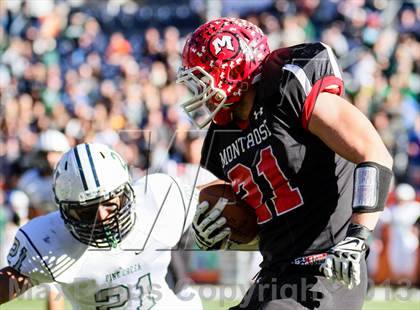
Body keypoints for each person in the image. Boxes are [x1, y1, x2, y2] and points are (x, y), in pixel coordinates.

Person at [177, 17, 393, 310]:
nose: (198, 89)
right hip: (275, 274)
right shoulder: (221, 136)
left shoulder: (287, 85)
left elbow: (374, 152)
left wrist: (357, 237)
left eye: (203, 78)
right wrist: (215, 231)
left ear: (232, 68)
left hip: (326, 270)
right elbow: (259, 221)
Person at [0, 143, 202, 310]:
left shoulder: (156, 200)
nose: (103, 216)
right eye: (87, 210)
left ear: (126, 193)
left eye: (109, 203)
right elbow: (7, 284)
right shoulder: (50, 241)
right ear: (66, 210)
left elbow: (221, 203)